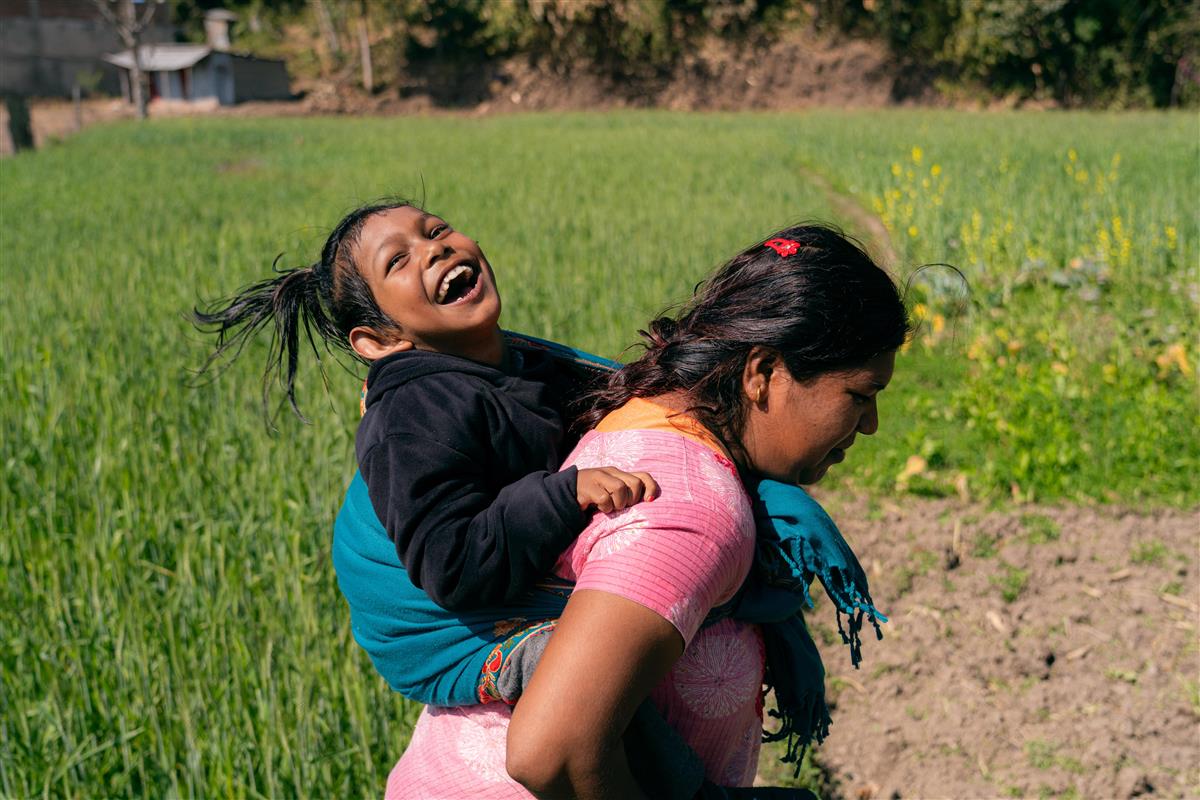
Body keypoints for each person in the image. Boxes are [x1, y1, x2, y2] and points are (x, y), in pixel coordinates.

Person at [384, 225, 910, 799]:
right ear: (761, 373)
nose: (871, 424)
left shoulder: (646, 409)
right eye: (860, 395)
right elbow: (552, 751)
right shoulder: (691, 510)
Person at [192, 199, 658, 618]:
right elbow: (451, 565)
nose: (434, 250)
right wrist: (564, 494)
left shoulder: (524, 365)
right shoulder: (413, 412)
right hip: (488, 629)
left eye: (435, 231)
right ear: (378, 340)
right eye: (397, 260)